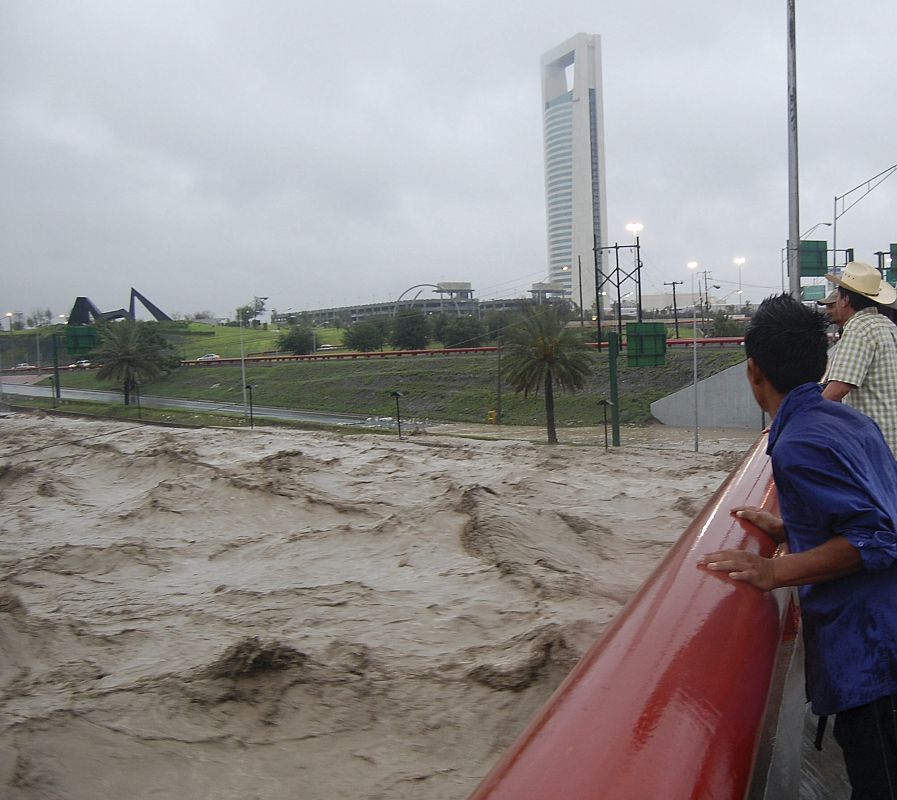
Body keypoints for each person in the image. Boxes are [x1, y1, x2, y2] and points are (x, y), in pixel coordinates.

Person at [700, 294, 897, 799]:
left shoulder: (798, 442)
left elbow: (876, 538)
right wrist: (793, 530)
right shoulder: (852, 422)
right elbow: (876, 507)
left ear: (753, 370)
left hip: (874, 657)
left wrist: (772, 573)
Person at [821, 261, 897, 457]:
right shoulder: (886, 324)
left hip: (875, 445)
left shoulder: (858, 328)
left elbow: (837, 388)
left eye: (837, 297)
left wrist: (796, 419)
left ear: (845, 300)